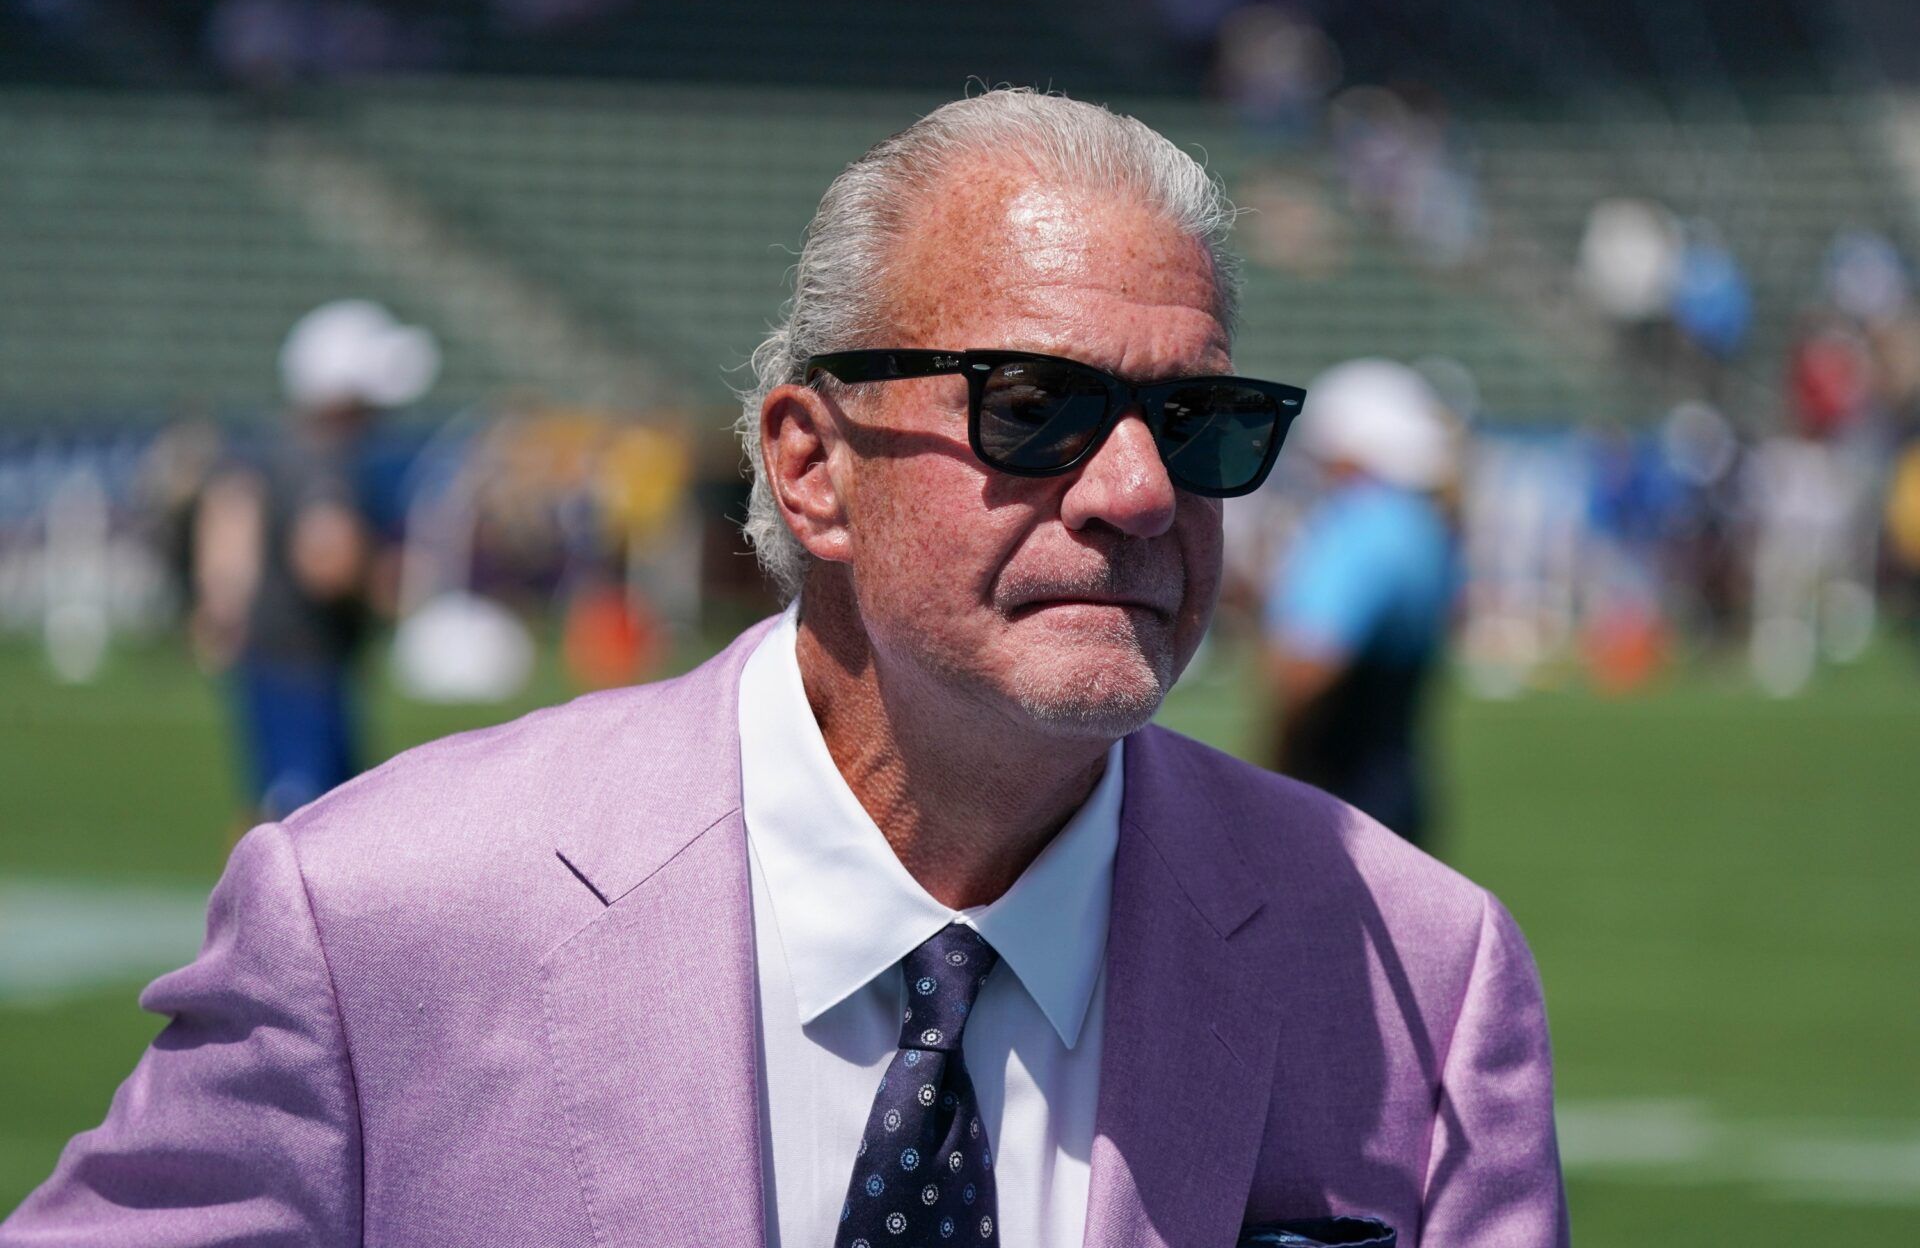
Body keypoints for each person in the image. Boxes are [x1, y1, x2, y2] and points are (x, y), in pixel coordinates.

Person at [2, 90, 1565, 1248]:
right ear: (811, 468)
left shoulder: (1422, 974)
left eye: (1204, 422)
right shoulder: (374, 925)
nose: (1141, 493)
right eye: (1034, 405)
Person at [191, 299, 437, 821]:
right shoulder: (324, 459)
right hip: (303, 663)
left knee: (297, 811)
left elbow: (228, 518)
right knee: (302, 819)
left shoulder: (278, 448)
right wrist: (385, 583)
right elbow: (324, 557)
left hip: (283, 657)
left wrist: (223, 604)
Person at [1264, 359, 1459, 849]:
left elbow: (1310, 660)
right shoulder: (1424, 526)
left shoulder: (1360, 525)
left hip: (1340, 797)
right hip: (1399, 786)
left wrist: (1270, 766)